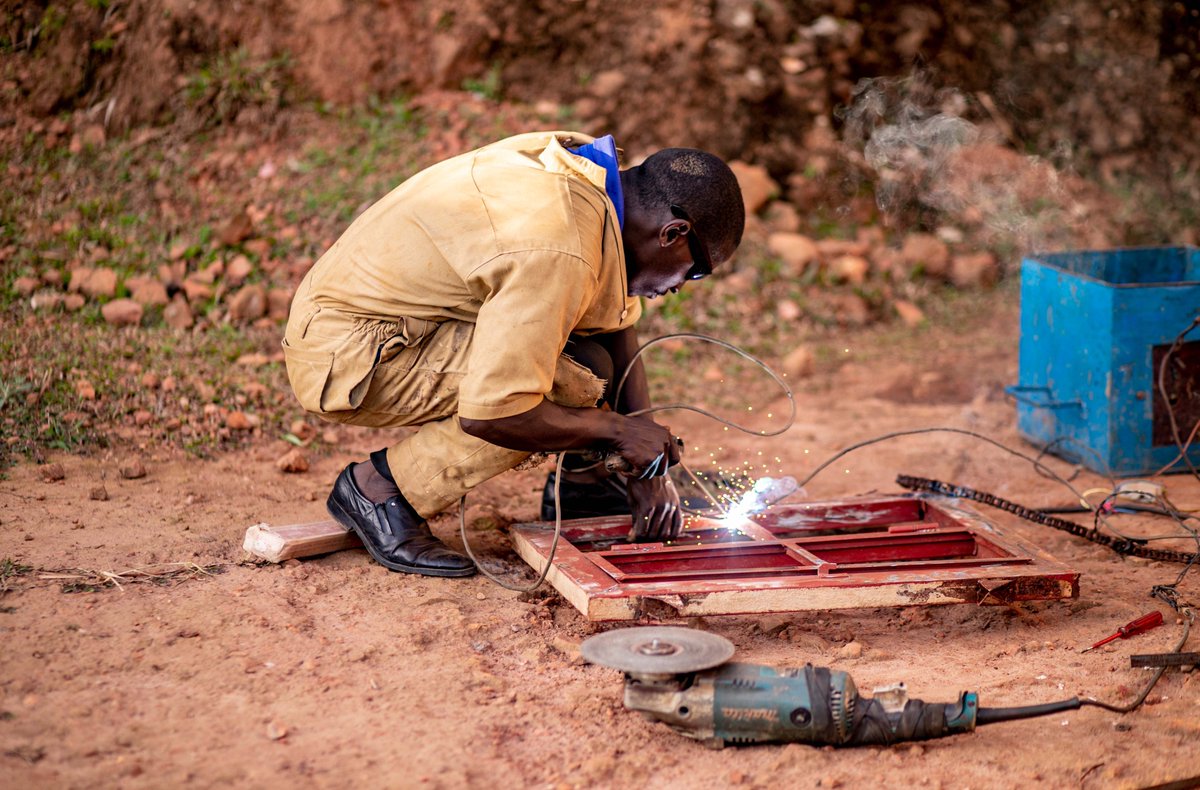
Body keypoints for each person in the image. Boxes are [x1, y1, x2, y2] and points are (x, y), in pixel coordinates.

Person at [282, 131, 745, 577]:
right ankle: (380, 487)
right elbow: (497, 413)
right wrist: (620, 431)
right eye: (696, 271)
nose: (680, 287)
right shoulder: (560, 243)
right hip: (348, 353)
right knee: (571, 384)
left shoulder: (591, 178)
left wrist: (648, 471)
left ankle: (583, 486)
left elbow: (617, 331)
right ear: (673, 232)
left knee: (592, 363)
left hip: (390, 323)